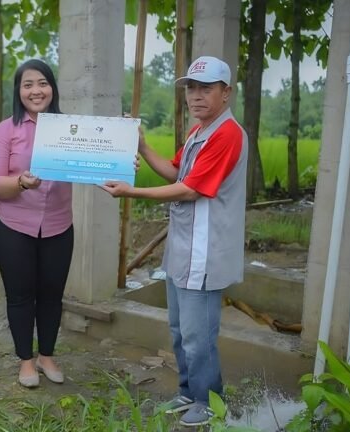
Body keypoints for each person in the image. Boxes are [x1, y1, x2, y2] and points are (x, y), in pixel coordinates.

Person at [100, 56, 247, 427]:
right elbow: (175, 170)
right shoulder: (200, 132)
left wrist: (131, 191)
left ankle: (210, 401)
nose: (196, 96)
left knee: (200, 336)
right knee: (181, 331)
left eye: (206, 88)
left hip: (205, 250)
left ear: (225, 93)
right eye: (191, 88)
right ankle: (188, 391)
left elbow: (190, 190)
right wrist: (143, 145)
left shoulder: (228, 134)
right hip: (184, 247)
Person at [0, 59, 73, 388]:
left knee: (52, 295)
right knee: (20, 296)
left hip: (59, 226)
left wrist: (121, 157)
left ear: (53, 88)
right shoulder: (7, 130)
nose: (36, 90)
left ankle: (47, 355)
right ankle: (26, 361)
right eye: (28, 84)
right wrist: (20, 182)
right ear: (18, 92)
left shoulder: (70, 127)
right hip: (13, 227)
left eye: (43, 83)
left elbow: (95, 160)